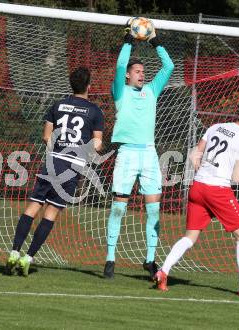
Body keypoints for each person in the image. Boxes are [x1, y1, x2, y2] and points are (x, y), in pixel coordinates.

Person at [155, 100, 239, 299]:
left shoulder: (216, 126)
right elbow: (236, 177)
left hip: (198, 186)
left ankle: (163, 271)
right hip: (217, 190)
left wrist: (203, 172)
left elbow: (194, 155)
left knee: (190, 237)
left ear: (238, 112)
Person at [5, 67, 104, 276]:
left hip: (53, 161)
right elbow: (97, 144)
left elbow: (46, 137)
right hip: (71, 166)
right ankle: (28, 257)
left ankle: (14, 251)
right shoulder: (94, 111)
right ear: (89, 86)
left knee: (33, 206)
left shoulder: (58, 105)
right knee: (51, 213)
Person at [103, 20, 174, 279]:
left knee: (153, 208)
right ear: (128, 76)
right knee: (119, 207)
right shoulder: (120, 90)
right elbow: (120, 64)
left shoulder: (152, 91)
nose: (142, 74)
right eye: (137, 71)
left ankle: (150, 259)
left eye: (143, 71)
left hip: (149, 153)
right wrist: (129, 40)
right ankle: (110, 258)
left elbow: (169, 67)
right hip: (127, 153)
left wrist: (155, 40)